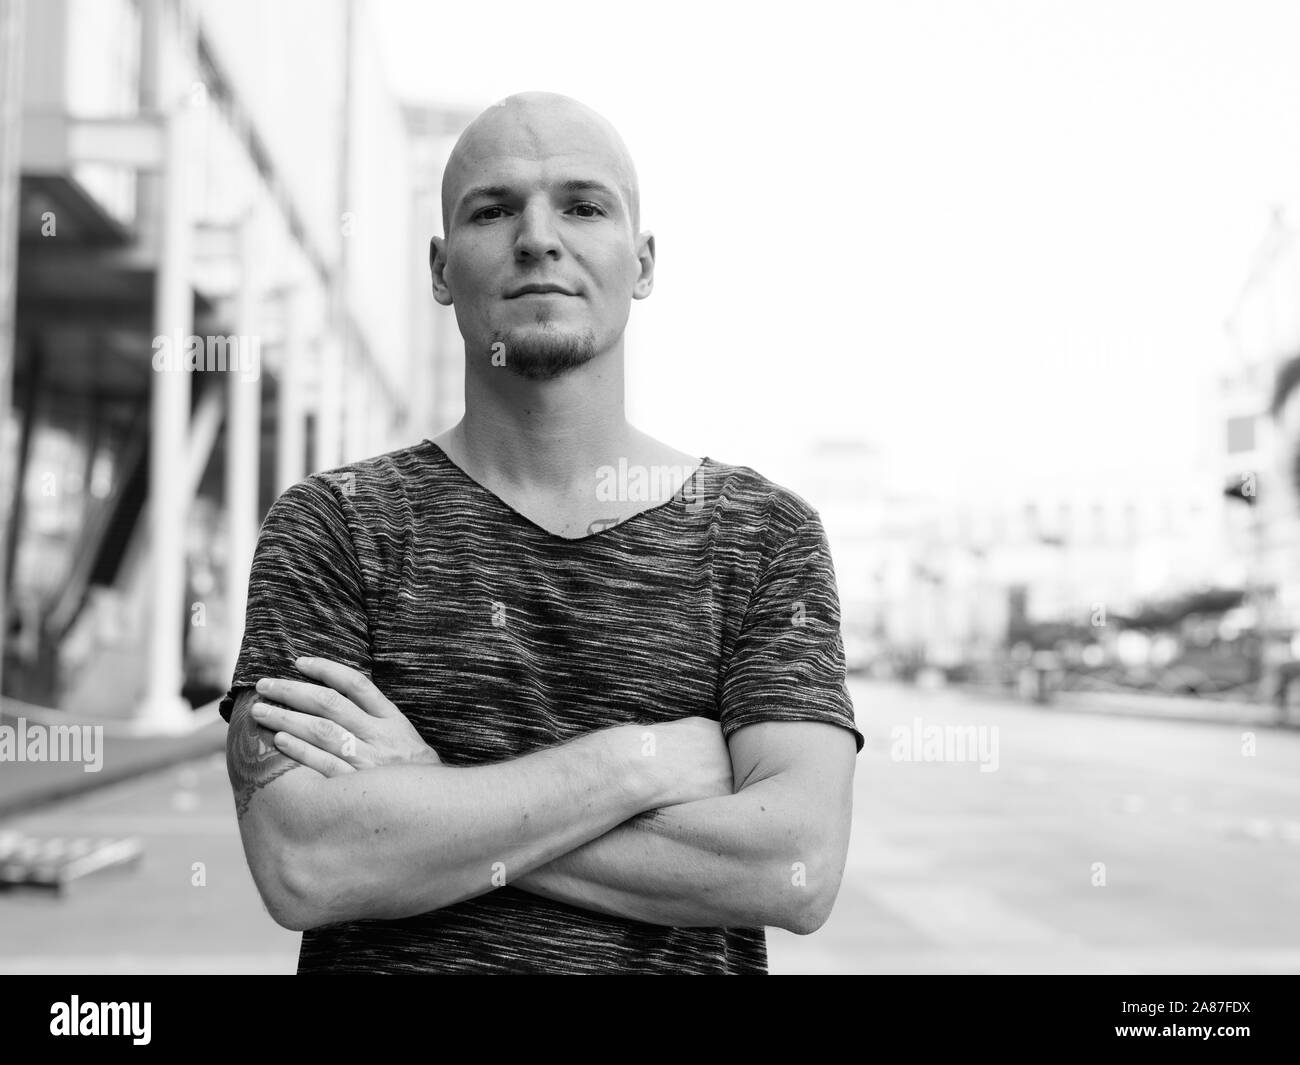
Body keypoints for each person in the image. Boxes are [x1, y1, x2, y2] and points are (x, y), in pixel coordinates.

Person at [220, 91, 864, 975]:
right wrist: (636, 765)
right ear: (441, 269)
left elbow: (795, 867)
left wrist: (427, 797)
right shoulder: (334, 527)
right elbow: (307, 863)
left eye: (583, 205)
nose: (538, 237)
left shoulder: (761, 536)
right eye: (494, 209)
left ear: (642, 262)